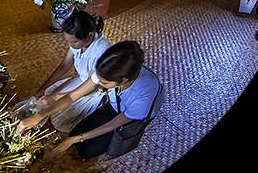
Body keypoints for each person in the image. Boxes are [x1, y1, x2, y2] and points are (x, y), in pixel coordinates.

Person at [16, 41, 164, 160]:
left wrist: (73, 140)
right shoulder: (107, 71)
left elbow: (112, 124)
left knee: (85, 151)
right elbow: (72, 96)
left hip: (128, 118)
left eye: (104, 84)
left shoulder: (143, 95)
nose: (98, 83)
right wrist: (40, 115)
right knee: (76, 131)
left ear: (123, 81)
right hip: (114, 105)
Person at [26, 11, 112, 132]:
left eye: (74, 42)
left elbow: (91, 86)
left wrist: (55, 98)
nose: (70, 45)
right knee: (47, 94)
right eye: (68, 41)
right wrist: (40, 91)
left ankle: (92, 114)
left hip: (94, 89)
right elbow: (63, 67)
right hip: (82, 80)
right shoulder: (79, 42)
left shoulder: (100, 52)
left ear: (90, 36)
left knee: (60, 118)